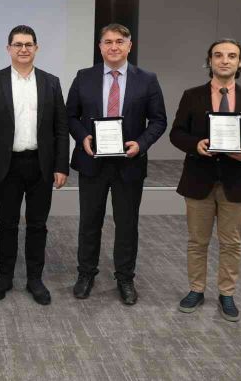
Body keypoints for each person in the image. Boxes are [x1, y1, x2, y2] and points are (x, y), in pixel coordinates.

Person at [66, 23, 166, 305]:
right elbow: (70, 115)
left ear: (129, 46)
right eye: (108, 42)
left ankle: (125, 278)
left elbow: (158, 120)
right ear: (100, 47)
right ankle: (86, 274)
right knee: (89, 222)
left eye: (119, 41)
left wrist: (141, 144)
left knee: (127, 225)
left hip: (129, 164)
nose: (113, 47)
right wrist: (83, 137)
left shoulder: (147, 79)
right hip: (92, 162)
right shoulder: (84, 77)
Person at [169, 38, 241, 322]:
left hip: (236, 181)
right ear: (209, 61)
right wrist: (195, 144)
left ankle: (227, 294)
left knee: (232, 243)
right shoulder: (192, 96)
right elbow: (177, 133)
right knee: (196, 241)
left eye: (232, 56)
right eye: (218, 55)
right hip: (199, 179)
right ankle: (196, 290)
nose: (225, 60)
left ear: (240, 63)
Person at [0, 25, 69, 306]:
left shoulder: (51, 82)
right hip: (7, 165)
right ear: (8, 49)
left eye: (28, 44)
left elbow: (61, 128)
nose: (23, 49)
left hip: (41, 165)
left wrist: (61, 166)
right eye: (17, 44)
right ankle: (4, 278)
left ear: (36, 48)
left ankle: (34, 279)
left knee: (38, 225)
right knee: (7, 224)